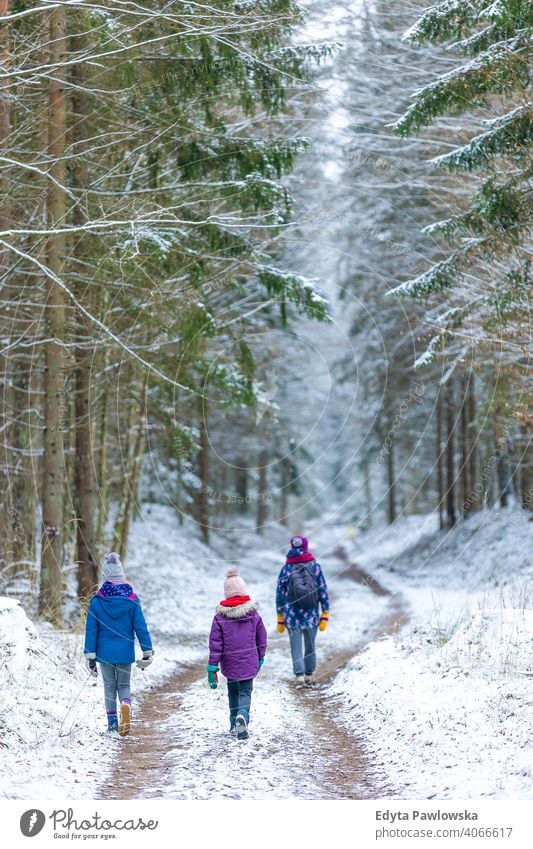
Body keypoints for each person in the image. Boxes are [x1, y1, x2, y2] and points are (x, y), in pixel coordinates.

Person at [84, 552, 153, 736]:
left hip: (104, 654)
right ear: (121, 576)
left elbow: (91, 630)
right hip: (124, 653)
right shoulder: (132, 600)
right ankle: (126, 704)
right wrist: (147, 651)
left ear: (105, 578)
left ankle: (113, 725)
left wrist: (90, 655)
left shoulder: (97, 602)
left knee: (109, 686)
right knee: (124, 685)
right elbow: (141, 627)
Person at [207, 567, 267, 740]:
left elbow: (215, 643)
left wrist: (213, 665)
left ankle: (234, 722)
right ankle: (243, 716)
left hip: (230, 663)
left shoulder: (220, 616)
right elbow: (262, 637)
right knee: (245, 692)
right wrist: (260, 656)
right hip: (249, 661)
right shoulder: (253, 613)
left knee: (233, 692)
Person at [276, 535, 329, 687]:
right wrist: (325, 611)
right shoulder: (315, 567)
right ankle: (310, 674)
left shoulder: (286, 568)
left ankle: (299, 676)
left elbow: (279, 592)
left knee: (296, 646)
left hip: (292, 614)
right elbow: (323, 590)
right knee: (310, 644)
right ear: (306, 547)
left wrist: (280, 615)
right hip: (311, 614)